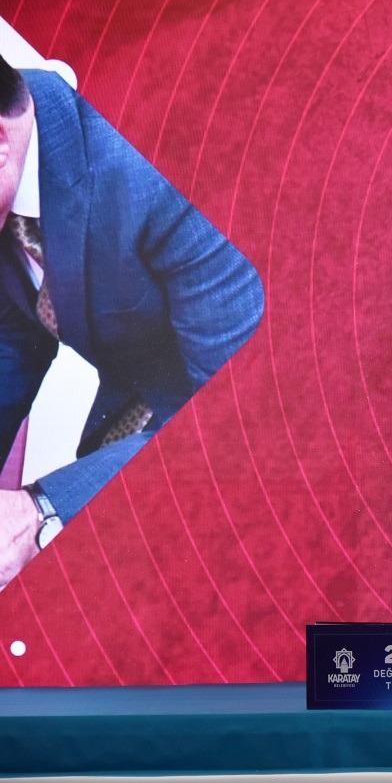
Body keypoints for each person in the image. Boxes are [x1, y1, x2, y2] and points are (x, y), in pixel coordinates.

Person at [0, 59, 264, 588]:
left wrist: (41, 510)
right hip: (127, 440)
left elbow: (244, 418)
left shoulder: (171, 163)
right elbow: (14, 346)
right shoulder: (11, 195)